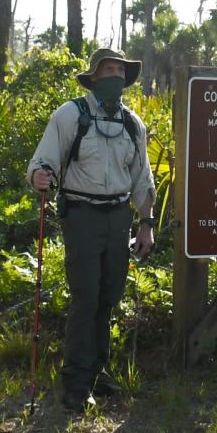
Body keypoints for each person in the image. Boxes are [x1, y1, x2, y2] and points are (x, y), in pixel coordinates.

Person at [27, 48, 155, 413]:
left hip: (119, 218)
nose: (115, 75)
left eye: (120, 70)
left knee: (109, 295)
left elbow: (142, 180)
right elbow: (43, 161)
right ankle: (77, 383)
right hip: (81, 216)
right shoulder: (70, 115)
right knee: (86, 296)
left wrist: (145, 225)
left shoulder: (133, 124)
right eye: (108, 69)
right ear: (94, 77)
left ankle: (99, 370)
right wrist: (40, 176)